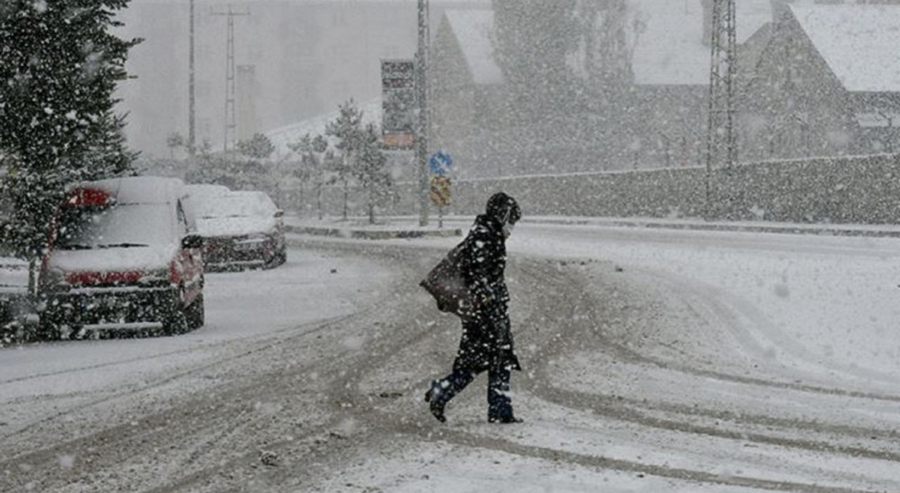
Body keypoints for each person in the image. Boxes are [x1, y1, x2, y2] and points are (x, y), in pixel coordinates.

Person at [425, 192, 522, 424]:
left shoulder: (487, 233)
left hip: (487, 309)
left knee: (493, 359)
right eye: (511, 221)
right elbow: (477, 274)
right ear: (503, 215)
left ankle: (497, 409)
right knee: (487, 360)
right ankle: (446, 392)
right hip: (485, 312)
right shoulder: (486, 236)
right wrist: (488, 299)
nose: (512, 228)